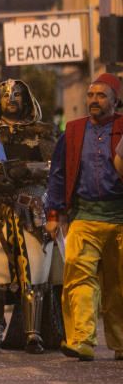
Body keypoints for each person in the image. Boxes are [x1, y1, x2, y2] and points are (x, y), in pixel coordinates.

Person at [0, 79, 56, 353]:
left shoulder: (40, 133)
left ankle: (32, 331)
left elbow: (53, 167)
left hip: (31, 208)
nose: (11, 99)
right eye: (6, 94)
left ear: (26, 99)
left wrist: (28, 169)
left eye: (17, 94)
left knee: (33, 273)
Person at [49, 73, 123, 361]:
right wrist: (54, 214)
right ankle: (81, 339)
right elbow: (57, 175)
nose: (93, 100)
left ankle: (120, 343)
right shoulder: (74, 131)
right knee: (78, 280)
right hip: (83, 217)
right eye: (91, 95)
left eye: (101, 95)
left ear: (115, 101)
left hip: (119, 218)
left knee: (118, 286)